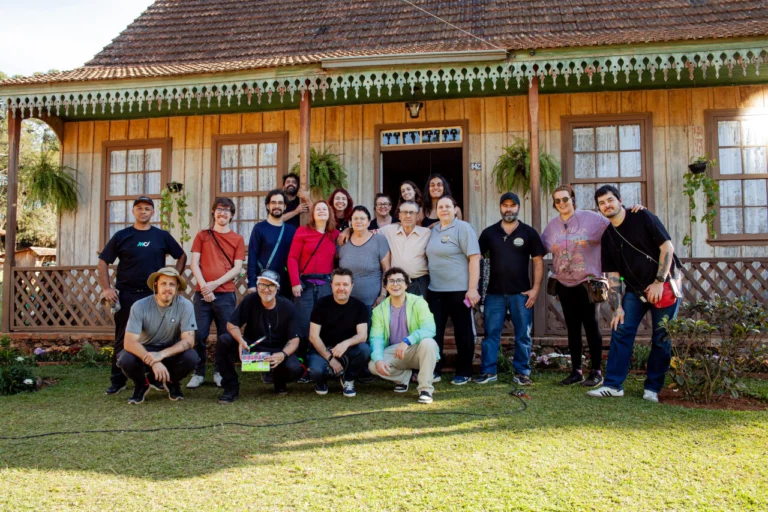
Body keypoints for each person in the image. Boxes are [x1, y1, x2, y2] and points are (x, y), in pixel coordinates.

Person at [587, 185, 681, 403]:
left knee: (661, 336)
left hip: (664, 285)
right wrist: (617, 306)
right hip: (635, 291)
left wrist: (659, 281)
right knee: (621, 328)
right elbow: (613, 274)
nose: (606, 205)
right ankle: (612, 385)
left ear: (620, 200)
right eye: (601, 203)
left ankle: (652, 389)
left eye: (610, 200)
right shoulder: (608, 236)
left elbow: (667, 247)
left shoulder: (642, 216)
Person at [98, 195, 187, 396]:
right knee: (123, 337)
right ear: (133, 212)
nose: (143, 211)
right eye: (139, 208)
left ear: (152, 212)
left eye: (147, 208)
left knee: (159, 335)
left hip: (154, 296)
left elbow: (181, 255)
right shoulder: (122, 236)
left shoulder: (161, 236)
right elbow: (103, 261)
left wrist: (173, 279)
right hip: (127, 294)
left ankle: (157, 378)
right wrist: (106, 288)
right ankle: (117, 380)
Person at [475, 192, 544, 386]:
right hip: (494, 293)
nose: (508, 209)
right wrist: (476, 287)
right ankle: (489, 372)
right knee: (491, 334)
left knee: (523, 334)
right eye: (505, 205)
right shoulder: (489, 233)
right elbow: (476, 259)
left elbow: (538, 261)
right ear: (500, 207)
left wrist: (535, 289)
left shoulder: (528, 233)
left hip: (521, 293)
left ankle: (522, 372)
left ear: (518, 208)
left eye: (512, 205)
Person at [215, 270, 302, 403]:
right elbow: (231, 324)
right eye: (262, 285)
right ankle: (231, 387)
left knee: (294, 368)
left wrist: (283, 354)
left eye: (271, 286)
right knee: (224, 340)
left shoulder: (288, 307)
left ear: (277, 288)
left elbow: (294, 340)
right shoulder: (250, 300)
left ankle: (279, 380)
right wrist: (240, 340)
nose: (266, 290)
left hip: (276, 351)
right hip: (252, 348)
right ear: (257, 285)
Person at [116, 267, 198, 405]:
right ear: (156, 285)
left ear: (177, 287)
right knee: (125, 358)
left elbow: (189, 340)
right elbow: (129, 342)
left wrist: (161, 354)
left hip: (170, 348)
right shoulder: (139, 306)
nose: (168, 288)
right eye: (163, 284)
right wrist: (154, 360)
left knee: (192, 357)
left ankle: (172, 382)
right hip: (145, 349)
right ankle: (141, 384)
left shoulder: (186, 305)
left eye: (172, 284)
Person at [188, 197, 245, 389]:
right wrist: (205, 287)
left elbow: (237, 268)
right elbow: (194, 263)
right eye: (219, 210)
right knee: (199, 334)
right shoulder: (202, 236)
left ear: (232, 215)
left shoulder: (237, 239)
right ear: (213, 212)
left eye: (227, 211)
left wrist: (215, 285)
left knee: (225, 336)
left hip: (226, 294)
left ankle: (220, 372)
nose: (223, 213)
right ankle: (198, 372)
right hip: (201, 294)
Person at [426, 196, 481, 385]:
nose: (444, 209)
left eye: (448, 206)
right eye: (440, 207)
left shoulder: (463, 228)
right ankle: (434, 370)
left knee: (463, 332)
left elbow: (474, 258)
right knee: (435, 332)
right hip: (435, 290)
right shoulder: (433, 231)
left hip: (459, 290)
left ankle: (464, 371)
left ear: (455, 209)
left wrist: (472, 288)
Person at [368, 267, 439, 404]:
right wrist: (378, 359)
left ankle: (425, 389)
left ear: (406, 284)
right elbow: (376, 338)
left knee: (429, 343)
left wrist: (408, 340)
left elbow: (430, 329)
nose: (395, 284)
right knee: (373, 364)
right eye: (391, 281)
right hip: (395, 352)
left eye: (399, 280)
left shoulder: (419, 303)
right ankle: (403, 378)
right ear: (386, 286)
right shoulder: (379, 310)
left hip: (415, 349)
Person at [307, 268, 371, 397]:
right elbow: (313, 336)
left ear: (352, 286)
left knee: (365, 350)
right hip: (323, 349)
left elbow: (362, 336)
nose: (341, 288)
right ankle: (321, 381)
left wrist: (345, 343)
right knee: (315, 371)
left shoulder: (360, 306)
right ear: (331, 285)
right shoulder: (321, 304)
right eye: (337, 284)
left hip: (347, 350)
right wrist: (330, 358)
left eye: (345, 284)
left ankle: (348, 379)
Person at [287, 200, 339, 345]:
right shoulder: (302, 231)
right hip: (305, 283)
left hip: (326, 283)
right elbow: (292, 258)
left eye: (325, 209)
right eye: (318, 209)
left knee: (325, 319)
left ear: (330, 214)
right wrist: (295, 282)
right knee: (303, 321)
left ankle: (323, 357)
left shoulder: (335, 234)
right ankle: (303, 357)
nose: (322, 211)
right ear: (313, 214)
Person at [338, 206, 391, 319]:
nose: (358, 221)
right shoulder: (343, 241)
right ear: (350, 222)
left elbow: (387, 270)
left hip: (371, 304)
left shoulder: (379, 241)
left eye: (362, 218)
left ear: (368, 222)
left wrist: (383, 294)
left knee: (369, 335)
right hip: (345, 302)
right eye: (355, 218)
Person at [247, 189, 297, 299]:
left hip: (285, 284)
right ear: (267, 206)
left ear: (285, 206)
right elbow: (252, 256)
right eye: (273, 203)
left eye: (280, 203)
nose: (277, 206)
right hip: (264, 283)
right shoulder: (259, 228)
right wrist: (251, 283)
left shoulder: (292, 230)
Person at [378, 201, 431, 297]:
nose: (408, 215)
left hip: (419, 283)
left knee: (418, 311)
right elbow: (367, 232)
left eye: (411, 212)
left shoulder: (427, 233)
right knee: (398, 311)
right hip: (396, 283)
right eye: (404, 212)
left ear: (417, 216)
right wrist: (348, 230)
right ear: (399, 215)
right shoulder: (389, 230)